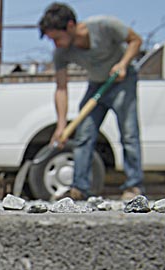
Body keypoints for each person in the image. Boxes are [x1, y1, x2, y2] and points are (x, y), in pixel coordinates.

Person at [39, 3, 144, 201]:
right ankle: (79, 188)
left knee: (129, 133)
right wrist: (61, 126)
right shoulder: (61, 53)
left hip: (122, 81)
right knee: (84, 134)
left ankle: (134, 186)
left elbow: (136, 40)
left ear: (70, 26)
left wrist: (122, 64)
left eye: (56, 38)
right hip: (97, 85)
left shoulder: (104, 26)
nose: (55, 44)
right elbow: (61, 88)